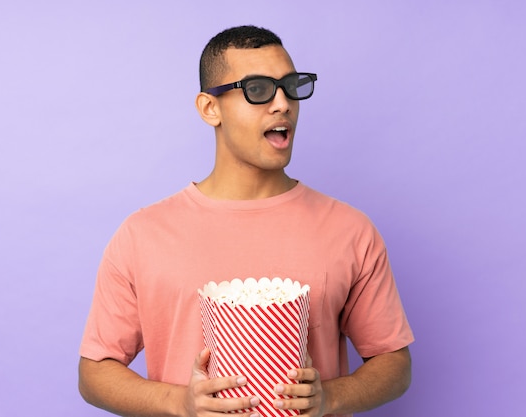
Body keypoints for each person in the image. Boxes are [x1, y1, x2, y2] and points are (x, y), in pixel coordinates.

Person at [78, 25, 414, 417]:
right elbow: (93, 373)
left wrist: (331, 397)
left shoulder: (350, 230)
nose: (283, 103)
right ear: (210, 108)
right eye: (258, 89)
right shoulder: (143, 235)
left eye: (291, 85)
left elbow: (395, 364)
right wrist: (179, 403)